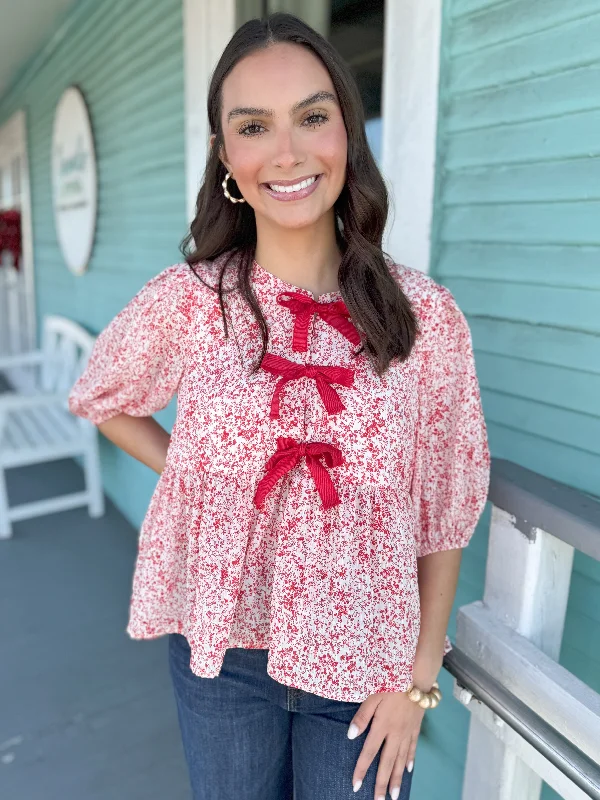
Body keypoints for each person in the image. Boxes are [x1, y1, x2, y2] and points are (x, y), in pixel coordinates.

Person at [68, 12, 490, 800]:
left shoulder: (425, 317)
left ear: (346, 136)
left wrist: (418, 677)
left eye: (313, 116)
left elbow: (443, 508)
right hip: (223, 653)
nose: (288, 151)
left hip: (368, 662)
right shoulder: (190, 302)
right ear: (227, 157)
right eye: (254, 126)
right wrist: (190, 469)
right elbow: (105, 397)